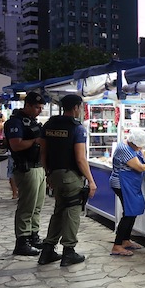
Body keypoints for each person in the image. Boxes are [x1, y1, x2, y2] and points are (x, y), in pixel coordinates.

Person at [38, 94, 97, 266]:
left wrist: (48, 173)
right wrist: (91, 181)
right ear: (77, 107)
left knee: (59, 210)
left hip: (54, 173)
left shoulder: (49, 125)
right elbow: (80, 158)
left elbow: (43, 152)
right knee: (72, 212)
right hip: (70, 175)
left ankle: (48, 250)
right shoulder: (76, 128)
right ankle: (68, 251)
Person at [4, 92, 47, 256]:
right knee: (27, 207)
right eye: (37, 107)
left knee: (37, 206)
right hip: (26, 168)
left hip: (38, 167)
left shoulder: (33, 122)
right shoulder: (15, 122)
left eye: (41, 107)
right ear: (27, 105)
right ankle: (22, 242)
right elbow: (16, 145)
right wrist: (35, 141)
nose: (39, 110)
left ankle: (33, 236)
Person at [109, 128, 145, 257]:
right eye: (139, 146)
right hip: (122, 184)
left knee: (132, 211)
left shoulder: (132, 145)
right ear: (133, 143)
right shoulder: (124, 149)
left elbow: (143, 155)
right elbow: (139, 167)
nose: (140, 149)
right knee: (129, 214)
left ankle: (125, 240)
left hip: (130, 184)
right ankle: (117, 245)